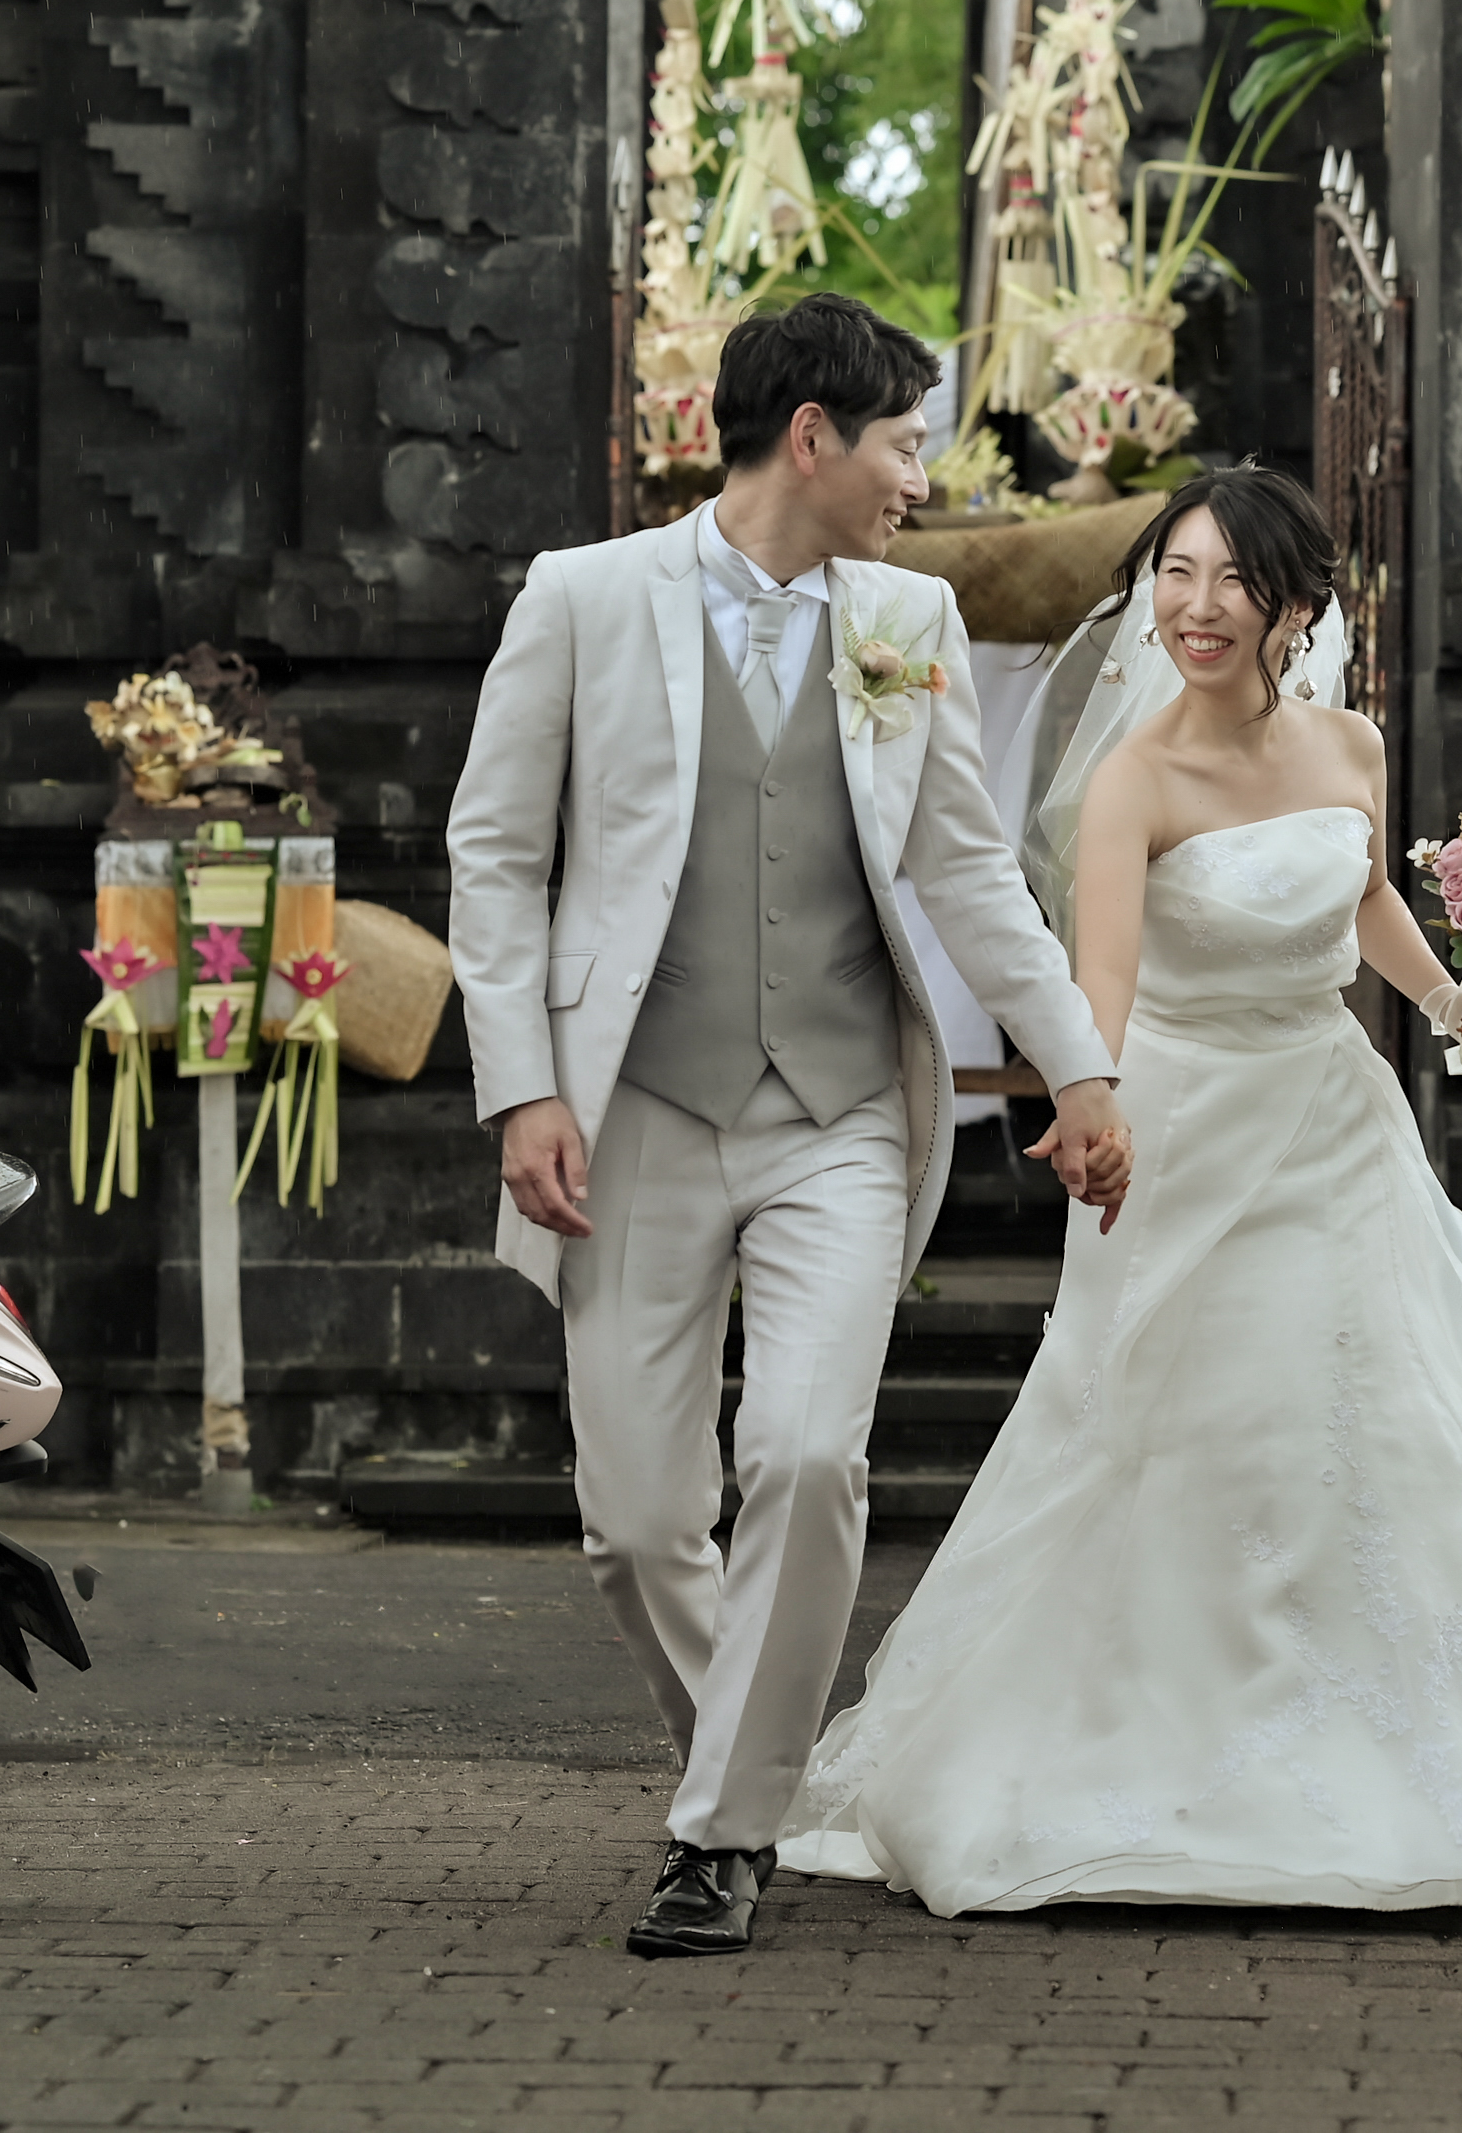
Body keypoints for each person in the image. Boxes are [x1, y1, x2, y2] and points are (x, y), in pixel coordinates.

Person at [774, 464, 1462, 1919]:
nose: (1197, 609)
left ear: (1296, 607)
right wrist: (1089, 1105)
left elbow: (1362, 895)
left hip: (1331, 1122)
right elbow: (1102, 978)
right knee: (1186, 1430)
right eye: (1174, 577)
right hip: (1184, 1130)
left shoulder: (1350, 745)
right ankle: (1166, 1742)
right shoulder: (1134, 779)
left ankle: (1416, 1745)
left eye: (1232, 581)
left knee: (1383, 1426)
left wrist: (1454, 999)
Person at [443, 293, 1136, 1960]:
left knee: (811, 1456)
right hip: (631, 1112)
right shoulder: (582, 598)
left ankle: (722, 1836)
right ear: (811, 436)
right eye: (904, 443)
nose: (922, 478)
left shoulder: (909, 615)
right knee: (634, 1525)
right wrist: (523, 1087)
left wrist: (1080, 1068)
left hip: (841, 1112)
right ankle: (760, 1773)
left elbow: (967, 869)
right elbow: (497, 857)